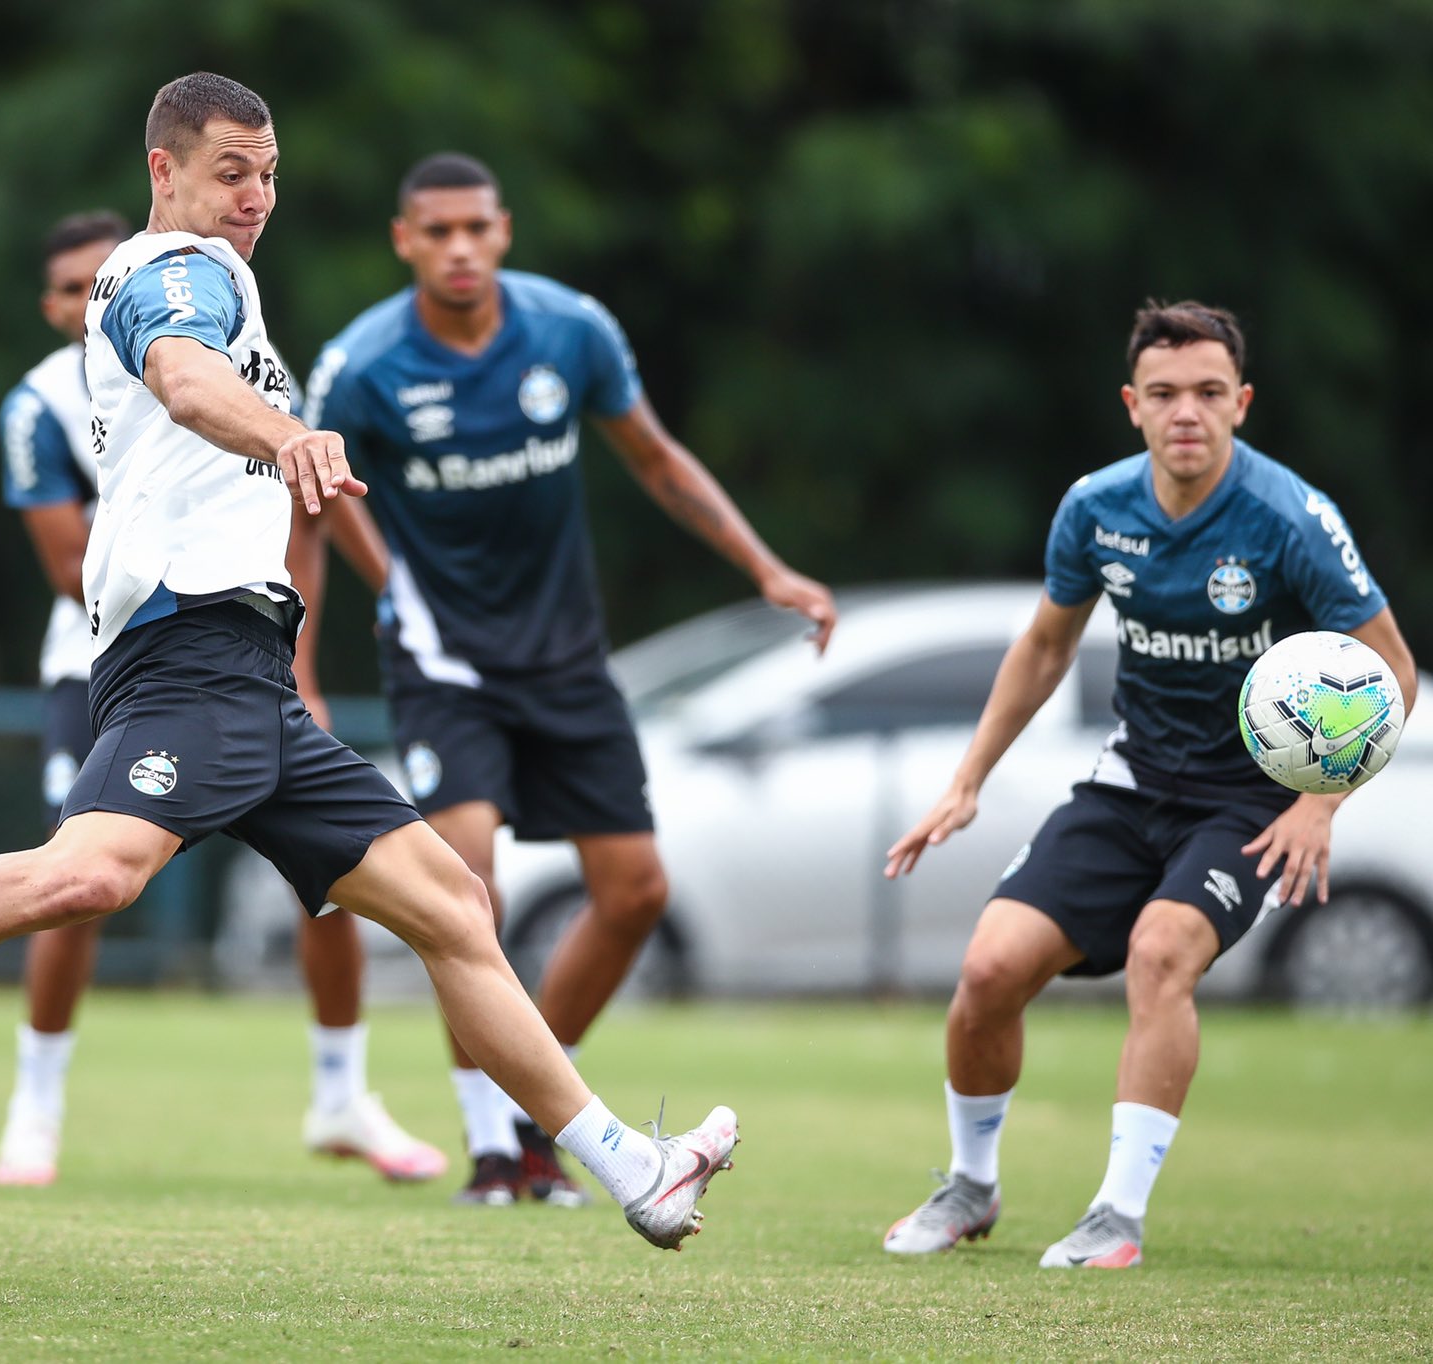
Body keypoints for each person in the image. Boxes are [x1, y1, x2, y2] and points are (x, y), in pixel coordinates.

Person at [0, 72, 737, 1253]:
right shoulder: (179, 271)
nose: (256, 195)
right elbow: (184, 375)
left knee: (451, 908)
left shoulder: (210, 278)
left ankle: (634, 1168)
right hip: (189, 651)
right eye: (232, 170)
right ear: (163, 168)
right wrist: (290, 435)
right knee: (88, 879)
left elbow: (204, 404)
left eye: (269, 173)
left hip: (246, 672)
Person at [302, 153, 837, 1207]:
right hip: (443, 666)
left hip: (567, 659)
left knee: (635, 890)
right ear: (403, 240)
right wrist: (307, 660)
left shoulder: (570, 331)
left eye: (476, 228)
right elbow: (309, 505)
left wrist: (764, 564)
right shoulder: (360, 365)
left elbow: (655, 456)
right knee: (467, 881)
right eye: (436, 231)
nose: (458, 248)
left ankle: (528, 1115)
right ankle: (494, 1148)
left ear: (503, 231)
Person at [879, 300, 1416, 1268]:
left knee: (1159, 949)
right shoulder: (1094, 507)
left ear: (1240, 403)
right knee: (988, 969)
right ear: (1130, 405)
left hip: (1248, 796)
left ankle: (1114, 1215)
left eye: (1208, 393)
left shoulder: (1289, 518)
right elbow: (1044, 644)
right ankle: (969, 1183)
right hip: (1130, 779)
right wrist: (966, 780)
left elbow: (1392, 673)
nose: (1186, 413)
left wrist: (1318, 800)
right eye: (1163, 394)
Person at [0, 211, 445, 1188]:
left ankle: (340, 1091)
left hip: (243, 660)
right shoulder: (39, 405)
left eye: (91, 282)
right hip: (114, 665)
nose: (82, 303)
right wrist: (194, 614)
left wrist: (305, 660)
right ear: (54, 304)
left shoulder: (230, 351)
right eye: (65, 290)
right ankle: (36, 1103)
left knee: (330, 877)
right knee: (77, 888)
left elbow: (302, 508)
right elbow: (70, 562)